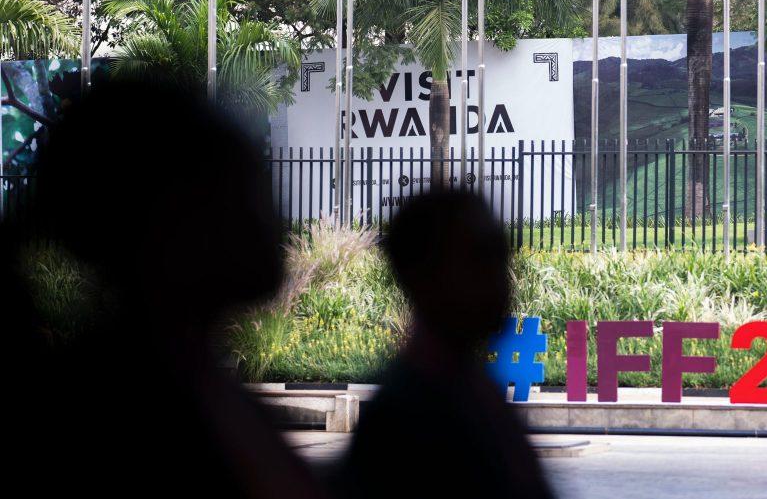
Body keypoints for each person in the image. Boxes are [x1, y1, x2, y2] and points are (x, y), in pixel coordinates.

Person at [2, 80, 328, 499]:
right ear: (173, 220)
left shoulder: (180, 389)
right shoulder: (150, 416)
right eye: (239, 183)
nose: (272, 212)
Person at [332, 191, 556, 499]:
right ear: (425, 276)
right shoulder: (413, 417)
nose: (503, 279)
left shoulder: (465, 387)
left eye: (501, 255)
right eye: (481, 258)